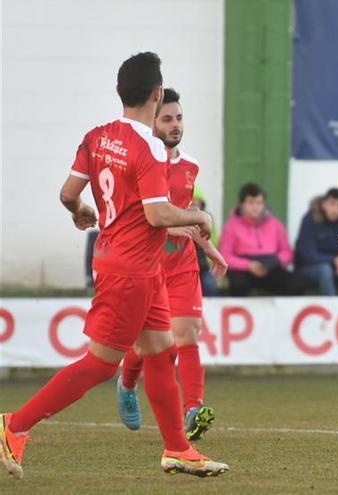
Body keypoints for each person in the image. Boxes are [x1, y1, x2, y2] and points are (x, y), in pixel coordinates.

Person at [0, 52, 228, 479]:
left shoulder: (97, 136)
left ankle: (177, 448)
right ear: (157, 94)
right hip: (131, 269)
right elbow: (158, 214)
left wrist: (81, 211)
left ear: (120, 92)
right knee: (101, 364)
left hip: (131, 264)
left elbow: (69, 193)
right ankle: (13, 425)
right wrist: (200, 217)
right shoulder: (149, 147)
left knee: (161, 353)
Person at [116, 88, 228, 442]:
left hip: (182, 264)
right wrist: (184, 223)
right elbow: (149, 217)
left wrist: (209, 248)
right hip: (149, 264)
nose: (175, 124)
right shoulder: (142, 162)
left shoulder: (190, 166)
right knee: (146, 345)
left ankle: (193, 409)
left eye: (179, 117)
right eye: (167, 118)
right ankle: (127, 383)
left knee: (187, 334)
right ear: (153, 121)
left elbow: (185, 218)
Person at [219, 183, 300, 296]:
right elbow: (225, 256)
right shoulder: (231, 226)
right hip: (243, 269)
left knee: (294, 283)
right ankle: (240, 313)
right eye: (251, 202)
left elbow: (287, 253)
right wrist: (248, 265)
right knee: (238, 284)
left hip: (270, 266)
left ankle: (279, 313)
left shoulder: (275, 224)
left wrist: (272, 263)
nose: (255, 207)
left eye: (259, 203)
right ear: (242, 204)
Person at [294, 188, 338, 295]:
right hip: (308, 268)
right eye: (332, 204)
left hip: (336, 268)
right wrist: (335, 260)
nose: (336, 209)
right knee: (325, 270)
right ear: (324, 204)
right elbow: (308, 255)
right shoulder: (310, 220)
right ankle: (332, 308)